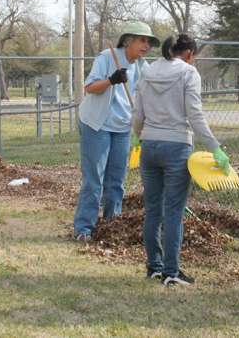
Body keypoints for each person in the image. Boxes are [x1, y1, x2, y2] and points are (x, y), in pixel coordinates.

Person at [132, 33, 230, 286]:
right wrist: (215, 148)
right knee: (173, 211)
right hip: (177, 146)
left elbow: (138, 112)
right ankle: (171, 273)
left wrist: (140, 136)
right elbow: (195, 115)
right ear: (189, 54)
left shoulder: (148, 71)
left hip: (150, 146)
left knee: (152, 209)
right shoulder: (188, 73)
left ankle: (154, 266)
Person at [73, 22, 160, 241]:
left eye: (149, 42)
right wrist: (111, 80)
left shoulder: (142, 66)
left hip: (122, 128)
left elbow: (153, 92)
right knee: (94, 180)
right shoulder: (107, 57)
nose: (146, 45)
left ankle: (112, 227)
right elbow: (90, 87)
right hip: (97, 125)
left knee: (116, 181)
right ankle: (84, 229)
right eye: (142, 40)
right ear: (129, 40)